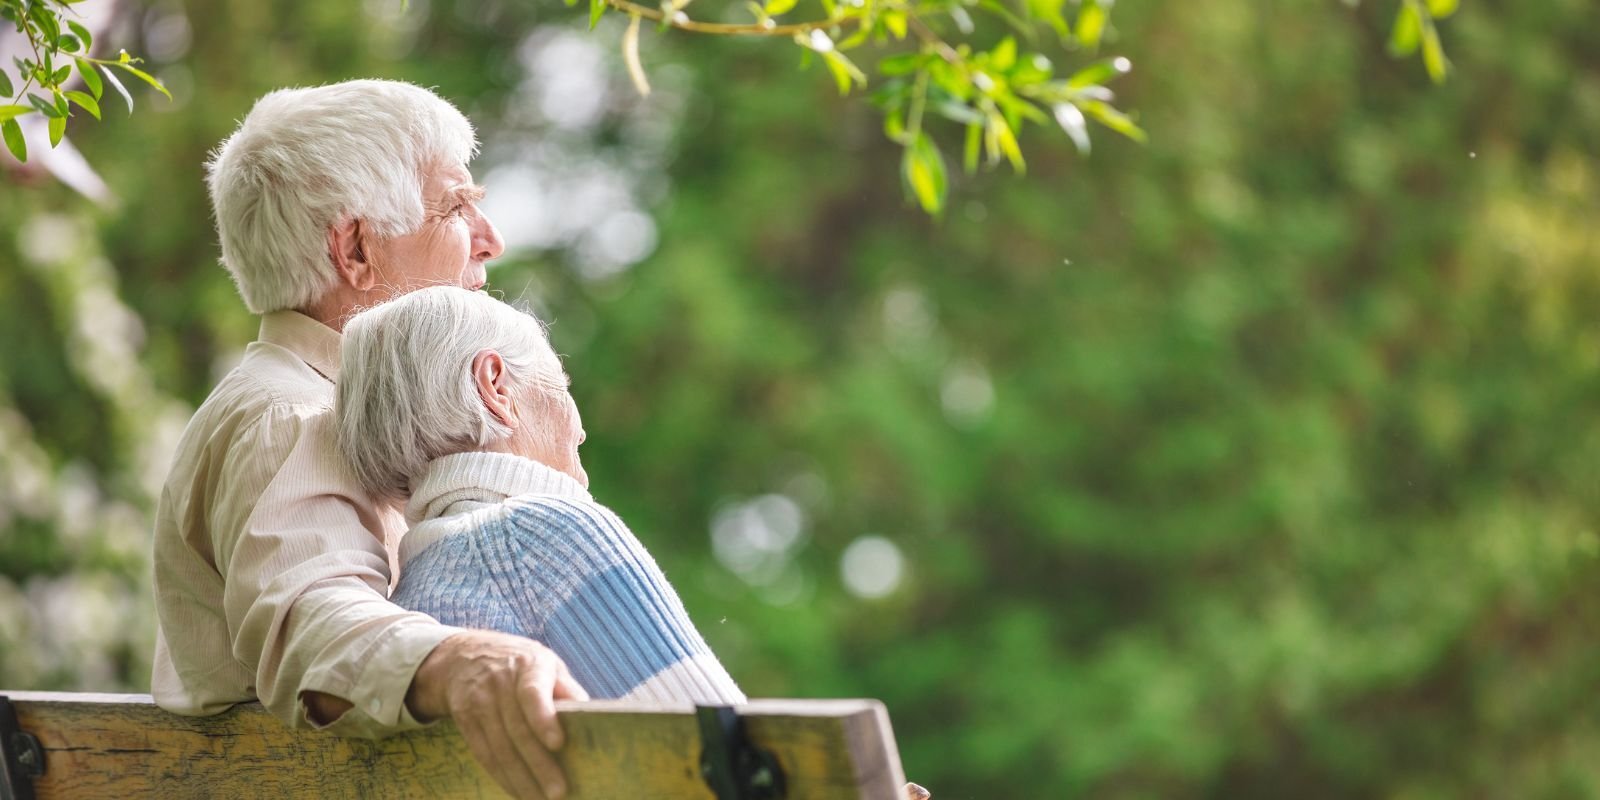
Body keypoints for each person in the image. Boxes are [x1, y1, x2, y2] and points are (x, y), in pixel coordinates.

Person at [151, 79, 581, 800]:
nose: (491, 239)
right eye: (457, 206)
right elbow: (312, 623)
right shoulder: (292, 417)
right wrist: (463, 660)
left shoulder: (327, 405)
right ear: (355, 250)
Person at [335, 286, 746, 704]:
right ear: (495, 387)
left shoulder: (408, 597)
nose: (580, 428)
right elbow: (728, 743)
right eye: (561, 383)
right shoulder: (546, 535)